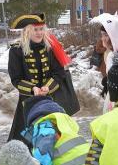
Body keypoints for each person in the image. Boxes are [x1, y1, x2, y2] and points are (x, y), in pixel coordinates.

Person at [7, 14, 79, 143]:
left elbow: (59, 73)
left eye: (41, 29)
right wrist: (33, 89)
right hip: (28, 102)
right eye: (35, 29)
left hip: (50, 100)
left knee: (54, 138)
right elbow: (16, 79)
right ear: (27, 31)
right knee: (26, 139)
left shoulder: (49, 47)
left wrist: (48, 87)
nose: (39, 33)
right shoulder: (16, 50)